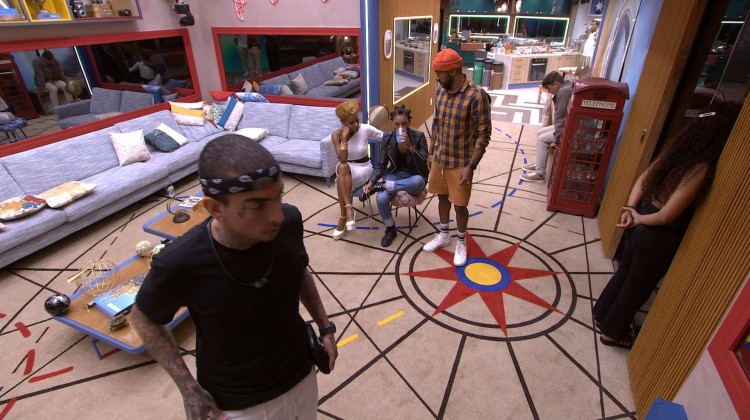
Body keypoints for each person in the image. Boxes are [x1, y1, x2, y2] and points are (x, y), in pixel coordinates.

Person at [131, 134, 338, 419]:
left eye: (278, 197)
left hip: (301, 372)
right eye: (258, 205)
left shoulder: (289, 222)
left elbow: (298, 270)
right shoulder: (181, 260)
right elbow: (143, 318)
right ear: (216, 209)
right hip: (236, 404)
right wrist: (188, 389)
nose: (276, 216)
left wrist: (325, 328)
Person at [593, 102, 739, 349]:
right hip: (656, 234)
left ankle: (602, 314)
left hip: (641, 216)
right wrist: (639, 219)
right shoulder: (701, 168)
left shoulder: (676, 150)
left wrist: (631, 210)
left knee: (625, 272)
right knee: (638, 287)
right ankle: (612, 333)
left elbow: (643, 179)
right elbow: (665, 216)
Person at [424, 48, 491, 266]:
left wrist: (471, 167)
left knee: (460, 206)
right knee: (442, 198)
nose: (436, 77)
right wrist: (431, 152)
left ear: (453, 71)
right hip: (440, 158)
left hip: (462, 163)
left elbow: (483, 135)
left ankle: (461, 242)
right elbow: (436, 123)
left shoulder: (477, 96)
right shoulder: (440, 91)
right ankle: (444, 234)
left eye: (439, 73)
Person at [361, 105, 429, 247]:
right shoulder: (387, 138)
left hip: (414, 176)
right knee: (381, 198)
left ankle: (382, 186)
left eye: (404, 124)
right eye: (397, 124)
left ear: (409, 123)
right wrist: (371, 182)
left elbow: (424, 164)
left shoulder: (419, 137)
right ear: (392, 123)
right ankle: (390, 229)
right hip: (396, 174)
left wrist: (410, 148)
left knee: (418, 181)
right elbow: (381, 165)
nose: (400, 127)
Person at [330, 99, 383, 240]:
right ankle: (348, 209)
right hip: (346, 169)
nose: (356, 125)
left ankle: (344, 216)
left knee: (340, 178)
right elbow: (343, 159)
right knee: (342, 166)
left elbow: (385, 137)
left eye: (357, 121)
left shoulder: (365, 129)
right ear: (343, 123)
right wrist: (344, 138)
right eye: (351, 123)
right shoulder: (336, 136)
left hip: (364, 168)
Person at [521, 71, 573, 182]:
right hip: (568, 125)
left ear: (556, 84)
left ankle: (539, 174)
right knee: (540, 132)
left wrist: (558, 139)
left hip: (570, 130)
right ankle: (539, 164)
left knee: (542, 139)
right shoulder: (567, 86)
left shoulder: (563, 93)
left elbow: (559, 117)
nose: (549, 92)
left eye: (549, 88)